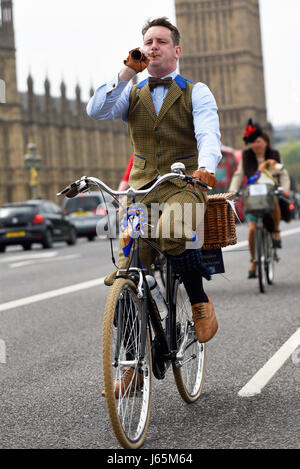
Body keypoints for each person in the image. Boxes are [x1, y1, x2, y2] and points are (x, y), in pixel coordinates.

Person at [87, 17, 222, 392]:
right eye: (148, 41)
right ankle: (132, 366)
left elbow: (209, 133)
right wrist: (126, 71)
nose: (154, 46)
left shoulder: (197, 92)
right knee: (126, 273)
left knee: (174, 230)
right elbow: (96, 110)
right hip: (142, 189)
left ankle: (197, 300)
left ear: (176, 50)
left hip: (184, 184)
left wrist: (207, 167)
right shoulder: (130, 92)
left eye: (161, 41)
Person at [229, 119, 291, 278]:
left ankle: (276, 233)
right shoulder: (246, 155)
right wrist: (232, 191)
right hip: (252, 196)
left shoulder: (274, 155)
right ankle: (253, 260)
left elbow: (283, 174)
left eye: (258, 141)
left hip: (270, 194)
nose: (255, 145)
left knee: (275, 201)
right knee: (251, 228)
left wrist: (286, 189)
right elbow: (238, 174)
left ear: (265, 142)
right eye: (253, 142)